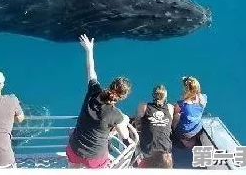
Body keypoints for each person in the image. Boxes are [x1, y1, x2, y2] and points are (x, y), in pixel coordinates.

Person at [66, 35, 132, 169]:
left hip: (75, 147)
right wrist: (124, 119)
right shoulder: (116, 114)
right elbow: (124, 135)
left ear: (111, 85)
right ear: (122, 97)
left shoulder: (93, 92)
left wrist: (89, 50)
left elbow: (91, 72)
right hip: (95, 156)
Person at [133, 85, 173, 168]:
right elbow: (170, 122)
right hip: (165, 150)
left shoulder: (143, 106)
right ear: (165, 96)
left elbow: (137, 124)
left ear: (153, 95)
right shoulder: (170, 108)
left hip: (148, 150)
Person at [172, 76, 207, 148]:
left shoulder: (183, 103)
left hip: (185, 132)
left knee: (175, 116)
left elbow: (175, 111)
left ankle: (184, 141)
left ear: (186, 89)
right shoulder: (204, 97)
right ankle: (191, 140)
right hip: (198, 127)